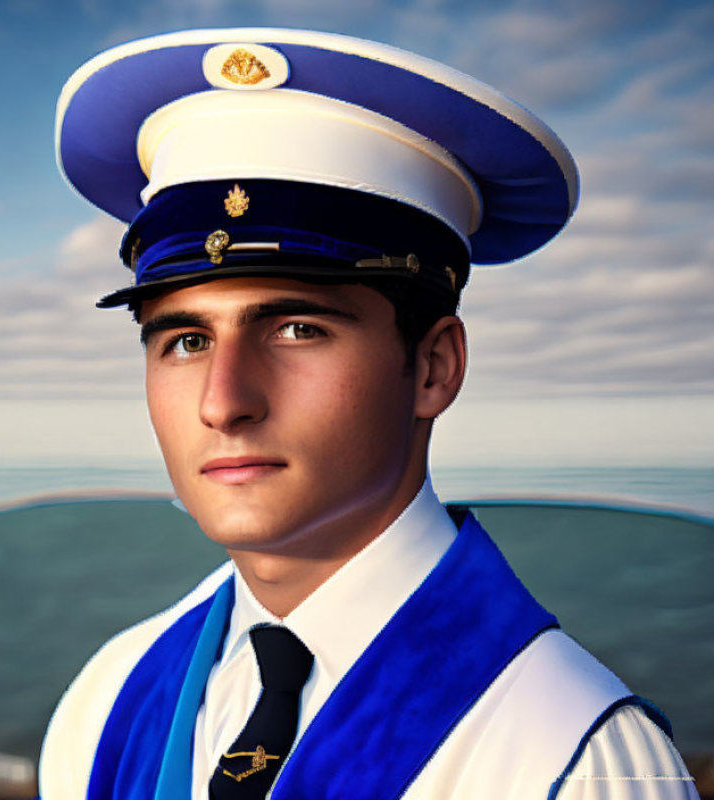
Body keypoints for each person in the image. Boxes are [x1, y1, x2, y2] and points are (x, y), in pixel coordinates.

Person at [39, 28, 699, 800]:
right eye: (185, 340)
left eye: (297, 329)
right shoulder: (107, 696)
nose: (223, 402)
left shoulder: (573, 757)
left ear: (432, 367)